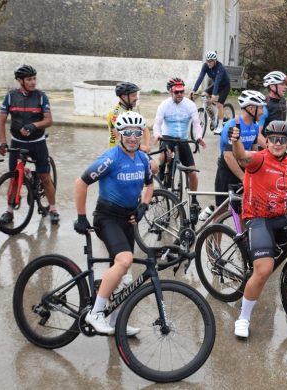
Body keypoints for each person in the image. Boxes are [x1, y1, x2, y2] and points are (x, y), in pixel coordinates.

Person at [230, 120, 287, 339]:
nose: (277, 143)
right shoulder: (260, 158)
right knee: (264, 269)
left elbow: (286, 189)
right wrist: (236, 141)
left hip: (280, 216)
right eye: (273, 140)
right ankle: (243, 318)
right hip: (258, 218)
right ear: (267, 141)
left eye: (282, 140)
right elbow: (242, 157)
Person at [74, 111, 154, 336]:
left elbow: (150, 185)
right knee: (124, 260)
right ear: (119, 133)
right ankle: (96, 313)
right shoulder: (110, 158)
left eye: (137, 133)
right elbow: (80, 183)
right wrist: (81, 217)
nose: (132, 137)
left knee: (123, 273)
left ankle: (115, 322)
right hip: (107, 218)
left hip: (128, 219)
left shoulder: (142, 159)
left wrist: (143, 206)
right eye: (127, 132)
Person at [0, 64, 59, 224]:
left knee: (44, 176)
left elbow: (49, 120)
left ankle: (52, 208)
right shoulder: (10, 96)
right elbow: (1, 120)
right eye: (29, 79)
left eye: (34, 78)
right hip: (17, 142)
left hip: (37, 142)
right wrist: (3, 143)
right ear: (20, 81)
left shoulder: (41, 96)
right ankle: (9, 211)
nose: (33, 82)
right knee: (14, 177)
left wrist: (34, 125)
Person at [153, 77, 206, 222]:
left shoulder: (190, 105)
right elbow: (157, 124)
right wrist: (157, 135)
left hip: (182, 140)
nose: (179, 94)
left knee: (192, 172)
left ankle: (194, 201)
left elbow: (196, 124)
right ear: (170, 91)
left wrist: (199, 137)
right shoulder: (164, 105)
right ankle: (163, 173)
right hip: (167, 137)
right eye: (176, 92)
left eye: (182, 91)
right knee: (164, 157)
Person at [214, 90, 266, 209]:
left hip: (243, 167)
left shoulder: (254, 127)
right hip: (227, 169)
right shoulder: (232, 126)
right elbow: (228, 156)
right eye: (261, 108)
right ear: (252, 108)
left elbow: (254, 151)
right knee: (222, 209)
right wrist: (243, 177)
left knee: (244, 209)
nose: (263, 112)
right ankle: (212, 215)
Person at [106, 81, 157, 174]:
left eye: (136, 95)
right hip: (119, 150)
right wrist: (141, 147)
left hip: (133, 146)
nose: (136, 98)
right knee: (151, 167)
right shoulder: (114, 113)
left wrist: (147, 146)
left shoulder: (133, 109)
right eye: (133, 95)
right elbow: (119, 137)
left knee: (154, 168)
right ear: (124, 97)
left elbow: (144, 129)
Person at [190, 50, 231, 134]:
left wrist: (214, 94)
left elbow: (217, 81)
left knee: (219, 105)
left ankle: (220, 126)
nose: (209, 63)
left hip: (224, 86)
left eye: (211, 61)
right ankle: (212, 115)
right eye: (207, 61)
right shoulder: (205, 66)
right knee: (204, 95)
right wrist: (194, 90)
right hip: (216, 85)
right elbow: (200, 77)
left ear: (215, 61)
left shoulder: (220, 67)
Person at [256, 70, 287, 147]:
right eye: (282, 84)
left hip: (277, 145)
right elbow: (257, 134)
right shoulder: (264, 106)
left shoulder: (283, 101)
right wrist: (271, 149)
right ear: (272, 86)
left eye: (285, 84)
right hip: (266, 148)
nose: (285, 87)